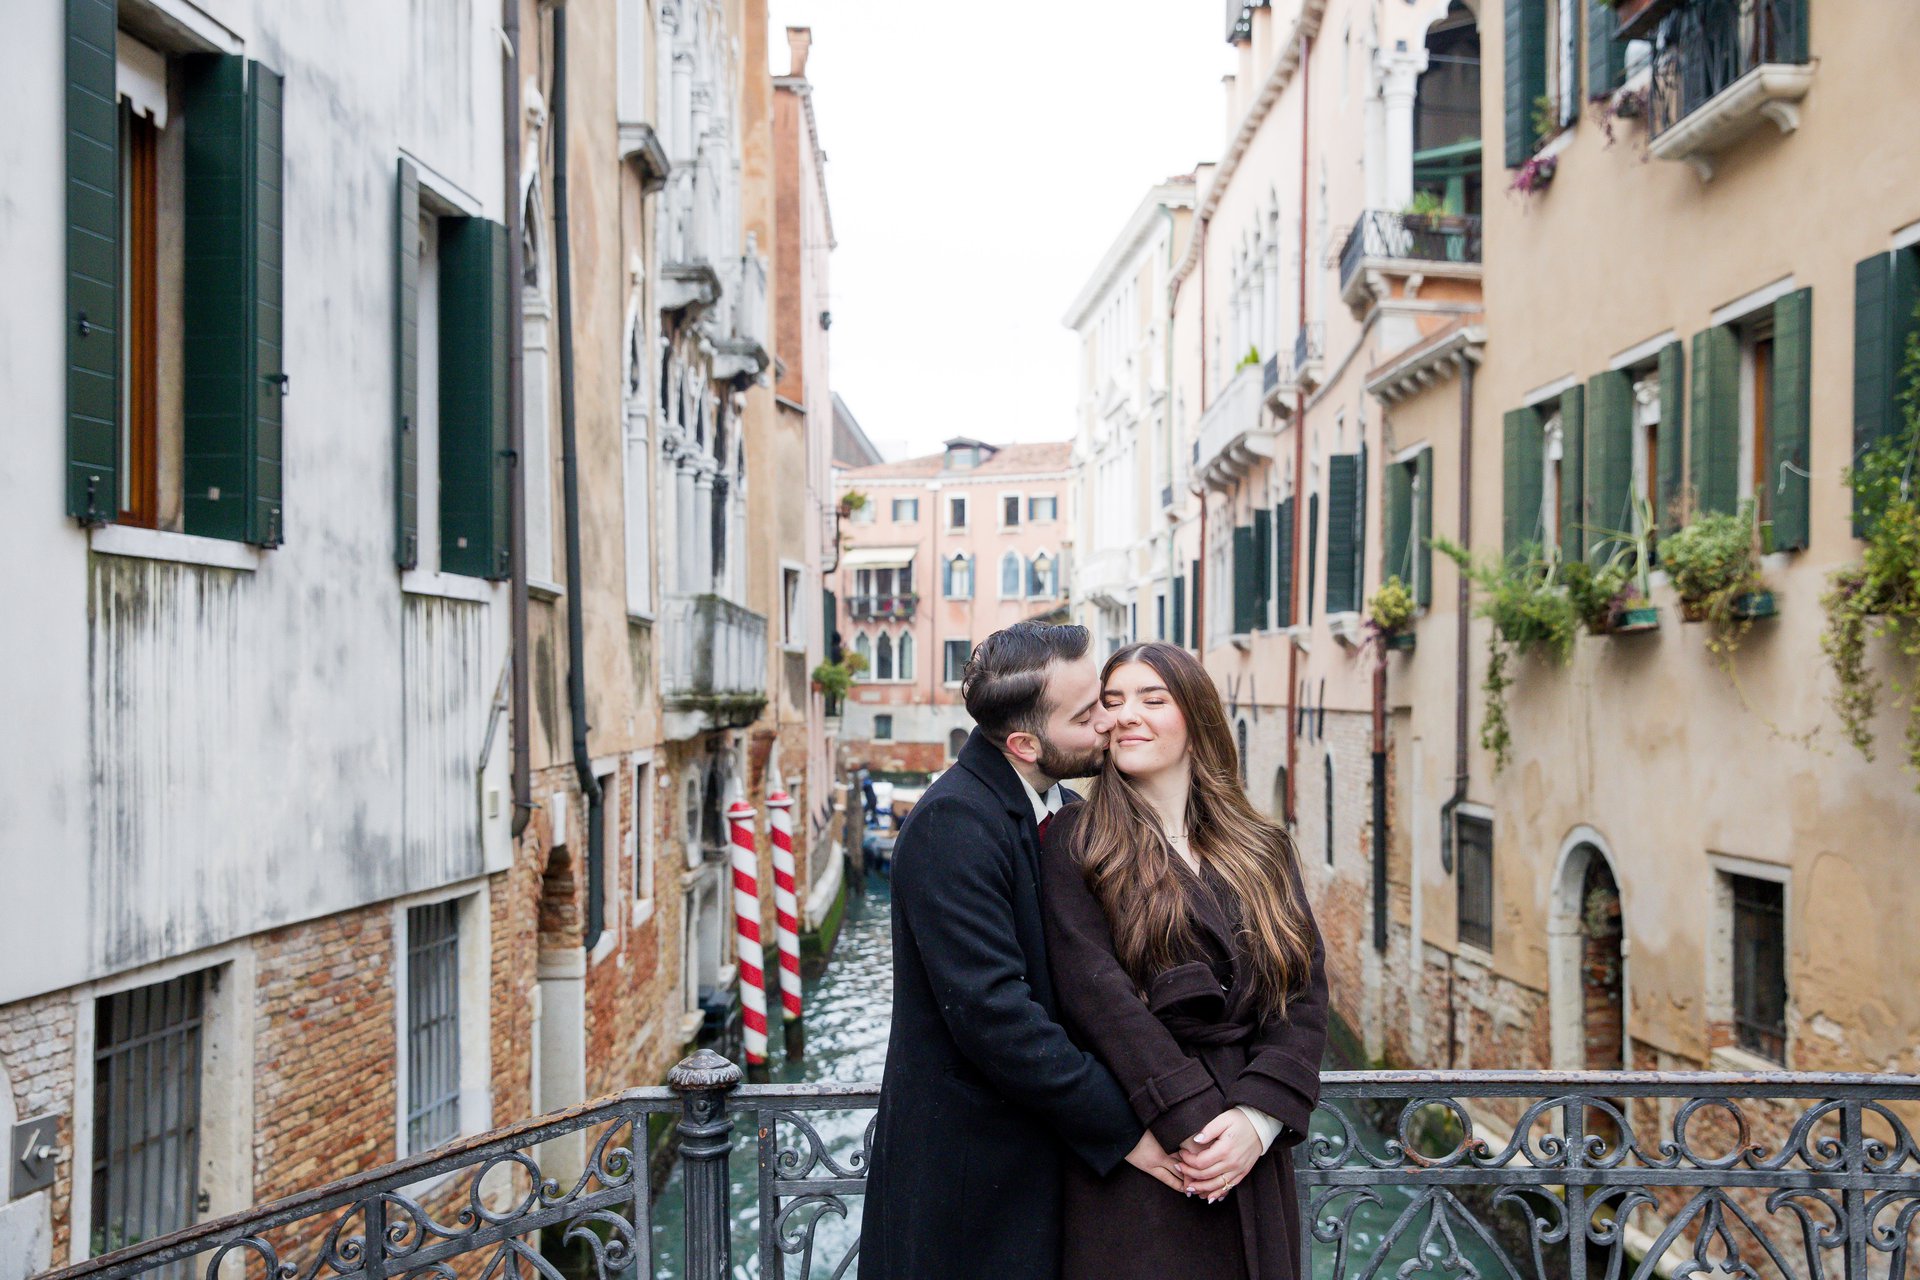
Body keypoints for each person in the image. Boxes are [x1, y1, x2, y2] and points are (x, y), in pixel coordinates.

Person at [860, 623, 1185, 1280]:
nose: (1109, 723)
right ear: (1024, 743)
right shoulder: (951, 824)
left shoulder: (1056, 804)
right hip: (969, 1184)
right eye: (1088, 713)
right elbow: (994, 1015)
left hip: (1036, 1164)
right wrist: (1127, 1132)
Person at [1039, 640, 1330, 1280]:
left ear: (1194, 718)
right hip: (1154, 1152)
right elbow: (1096, 996)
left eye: (1152, 699)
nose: (1126, 716)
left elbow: (1304, 994)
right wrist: (1194, 1126)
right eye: (1110, 702)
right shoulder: (1075, 842)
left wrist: (1258, 1121)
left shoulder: (1262, 848)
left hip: (1249, 1152)